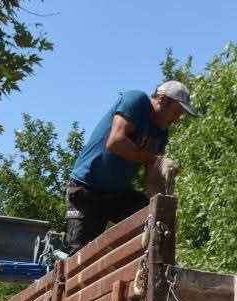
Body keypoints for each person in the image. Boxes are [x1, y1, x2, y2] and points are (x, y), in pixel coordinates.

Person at [64, 80, 198, 252]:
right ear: (163, 101)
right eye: (176, 113)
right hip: (86, 191)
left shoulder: (161, 134)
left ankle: (141, 271)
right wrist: (155, 159)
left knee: (153, 221)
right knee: (82, 255)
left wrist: (165, 210)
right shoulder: (136, 101)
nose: (176, 121)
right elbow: (116, 142)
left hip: (118, 194)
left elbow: (152, 182)